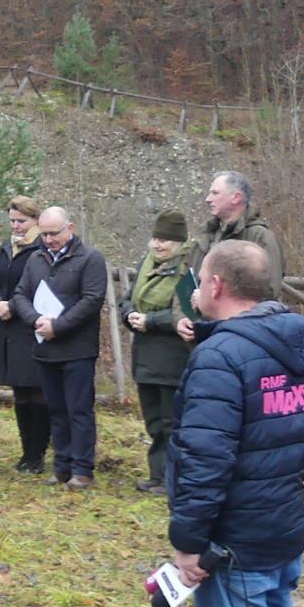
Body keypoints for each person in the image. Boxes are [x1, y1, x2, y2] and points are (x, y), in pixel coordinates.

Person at [169, 241, 304, 607]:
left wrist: (189, 543)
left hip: (235, 545)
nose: (198, 287)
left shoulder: (218, 358)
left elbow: (204, 460)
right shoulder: (295, 342)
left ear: (216, 286)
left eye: (201, 279)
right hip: (283, 529)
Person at [9, 206, 107, 489]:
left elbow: (91, 300)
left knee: (79, 411)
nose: (49, 239)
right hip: (44, 349)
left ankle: (82, 469)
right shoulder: (36, 259)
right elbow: (20, 294)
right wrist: (36, 320)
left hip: (77, 349)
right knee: (55, 410)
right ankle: (61, 465)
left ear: (70, 228)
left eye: (55, 233)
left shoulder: (90, 258)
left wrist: (58, 326)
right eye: (45, 234)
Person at [119, 209, 195, 494]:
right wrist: (130, 316)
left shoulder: (187, 269)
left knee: (170, 421)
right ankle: (157, 474)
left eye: (165, 240)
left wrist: (152, 321)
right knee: (153, 420)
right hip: (144, 356)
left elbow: (187, 312)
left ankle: (172, 478)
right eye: (155, 238)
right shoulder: (145, 265)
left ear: (179, 243)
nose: (158, 245)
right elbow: (126, 301)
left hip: (173, 356)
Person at [180, 171, 285, 342]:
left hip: (243, 337)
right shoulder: (205, 236)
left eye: (215, 193)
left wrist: (208, 300)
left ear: (236, 197)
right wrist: (181, 318)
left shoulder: (261, 238)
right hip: (202, 337)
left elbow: (268, 292)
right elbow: (184, 281)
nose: (207, 199)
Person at [0, 195, 49, 474]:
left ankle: (37, 453)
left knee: (36, 391)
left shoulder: (42, 247)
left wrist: (13, 306)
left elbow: (42, 286)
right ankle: (26, 452)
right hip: (6, 327)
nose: (16, 226)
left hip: (30, 325)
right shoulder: (5, 246)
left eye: (21, 221)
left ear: (35, 220)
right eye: (12, 221)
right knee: (20, 392)